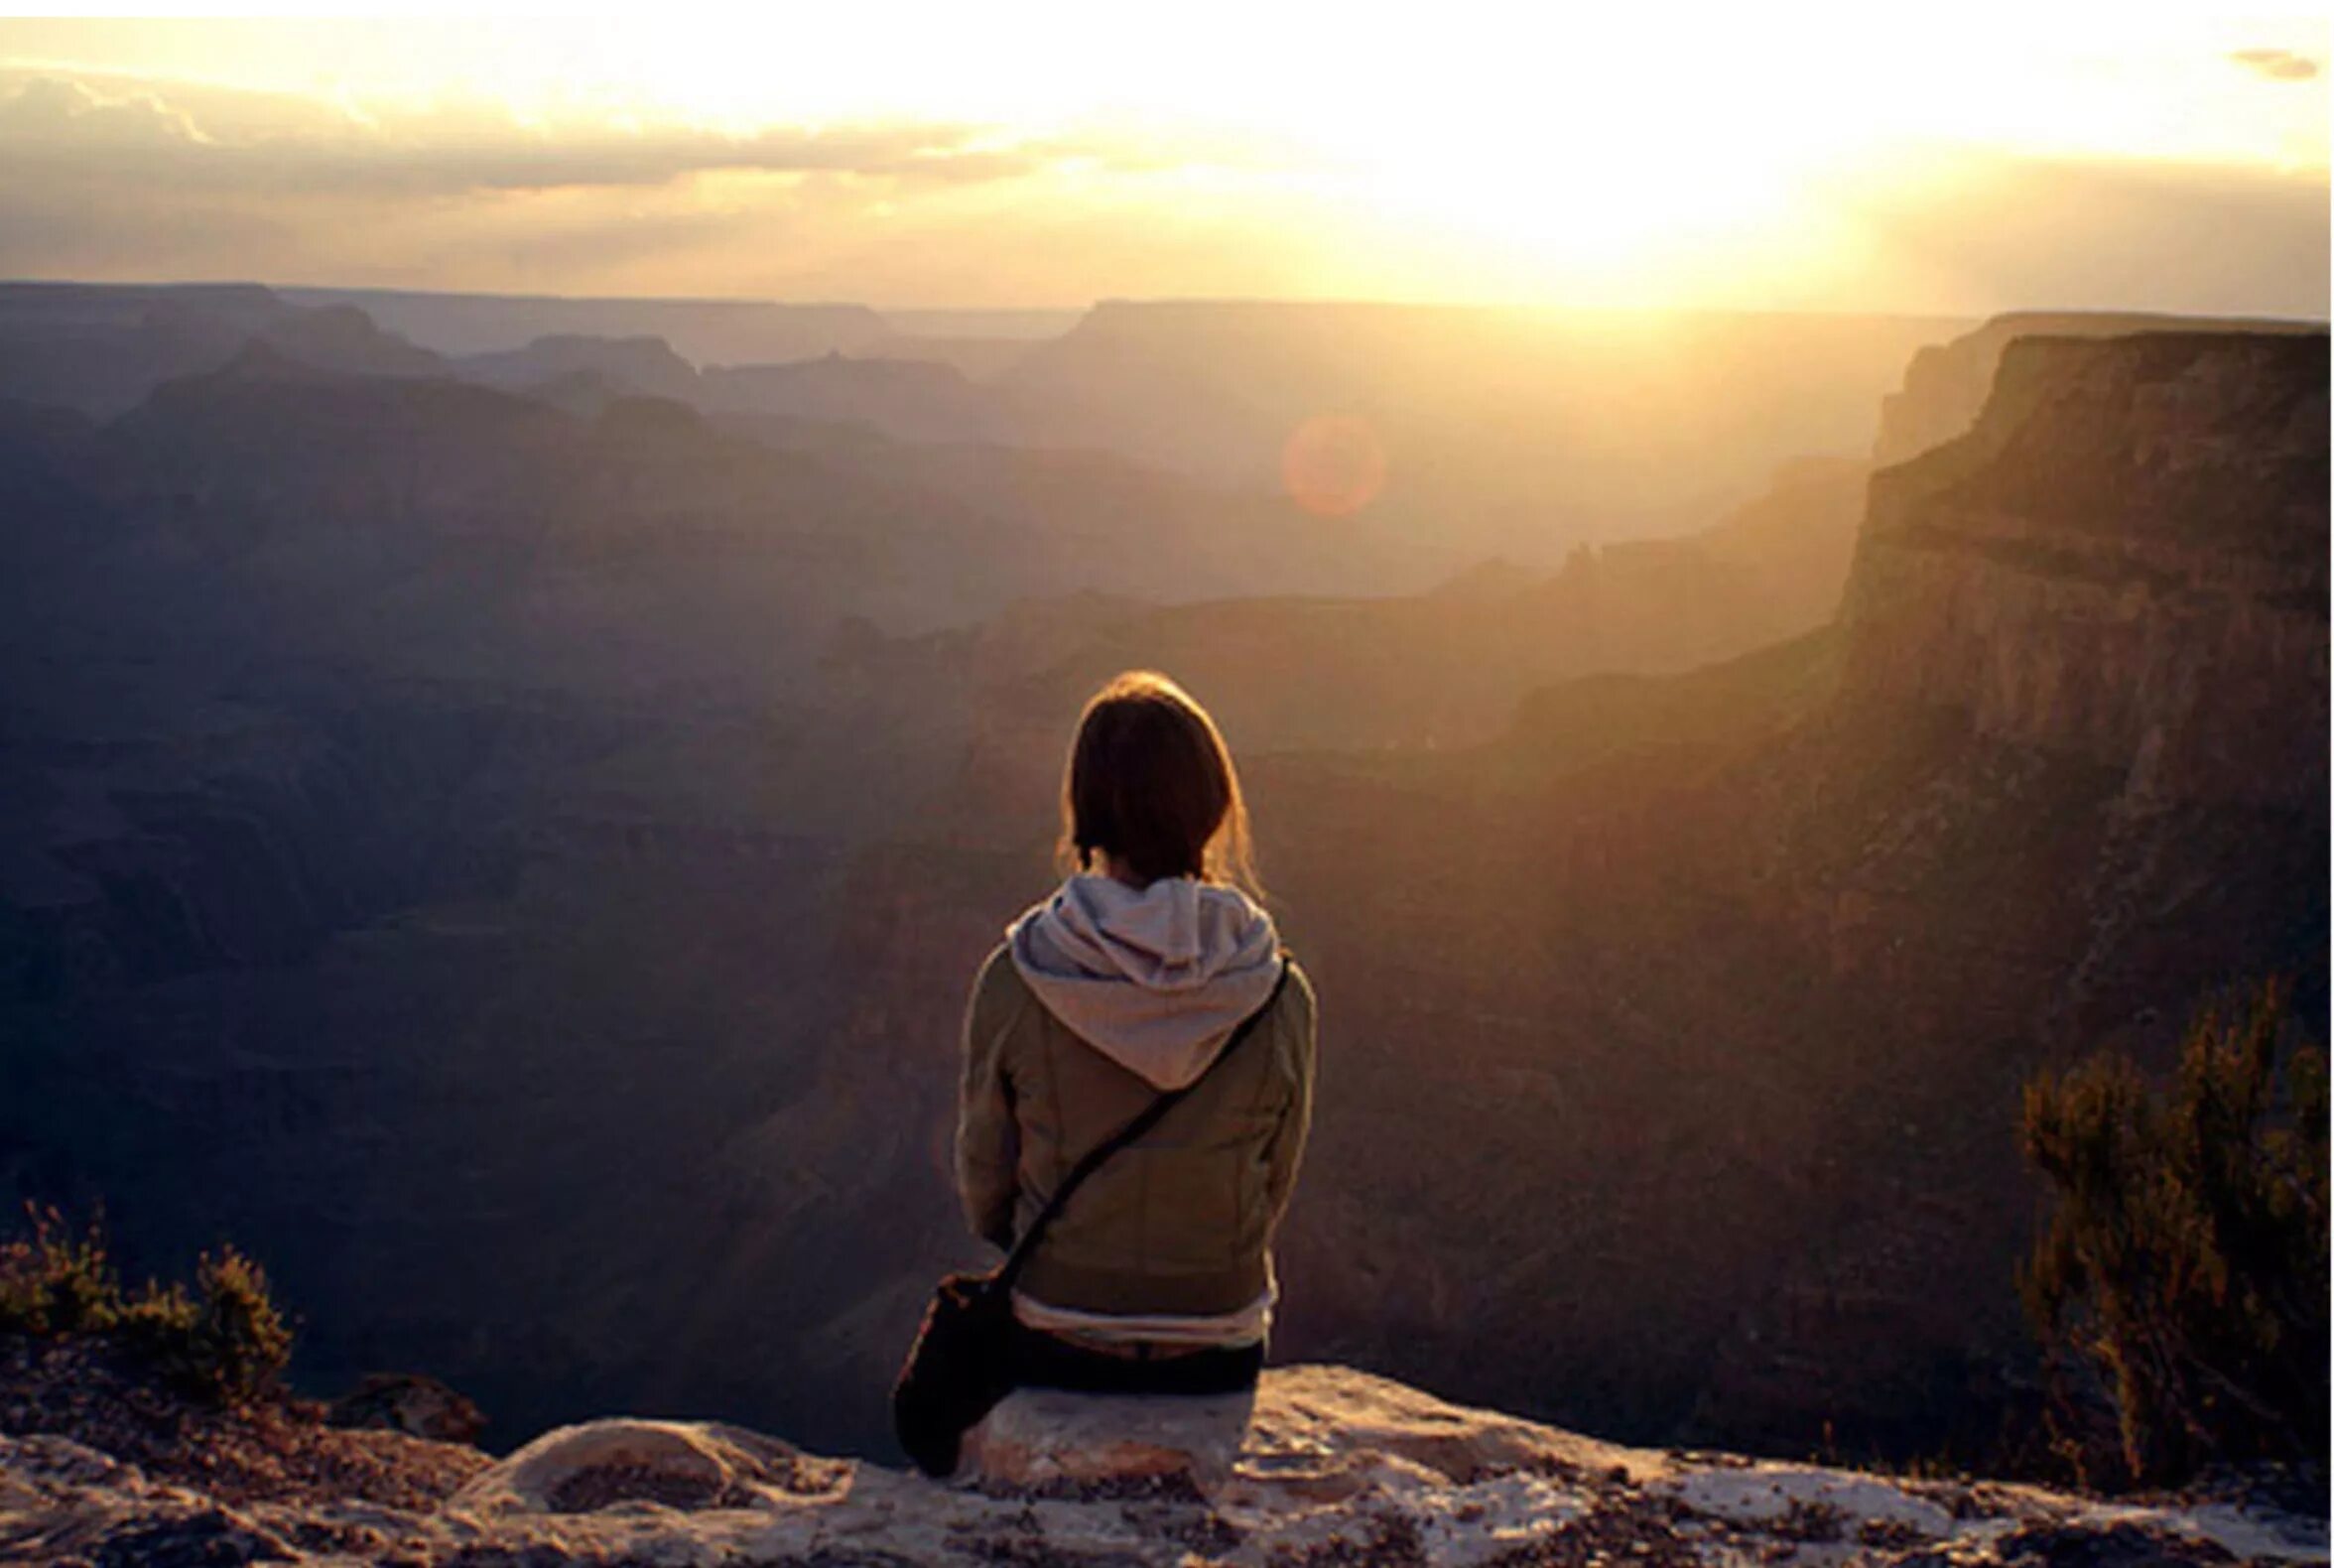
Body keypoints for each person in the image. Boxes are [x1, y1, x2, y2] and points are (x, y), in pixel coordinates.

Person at [954, 669, 1318, 1396]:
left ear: (1086, 807)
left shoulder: (1018, 976)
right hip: (1220, 1338)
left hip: (1060, 1329)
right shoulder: (1277, 990)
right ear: (1212, 807)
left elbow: (984, 1180)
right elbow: (1276, 1175)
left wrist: (1072, 1251)